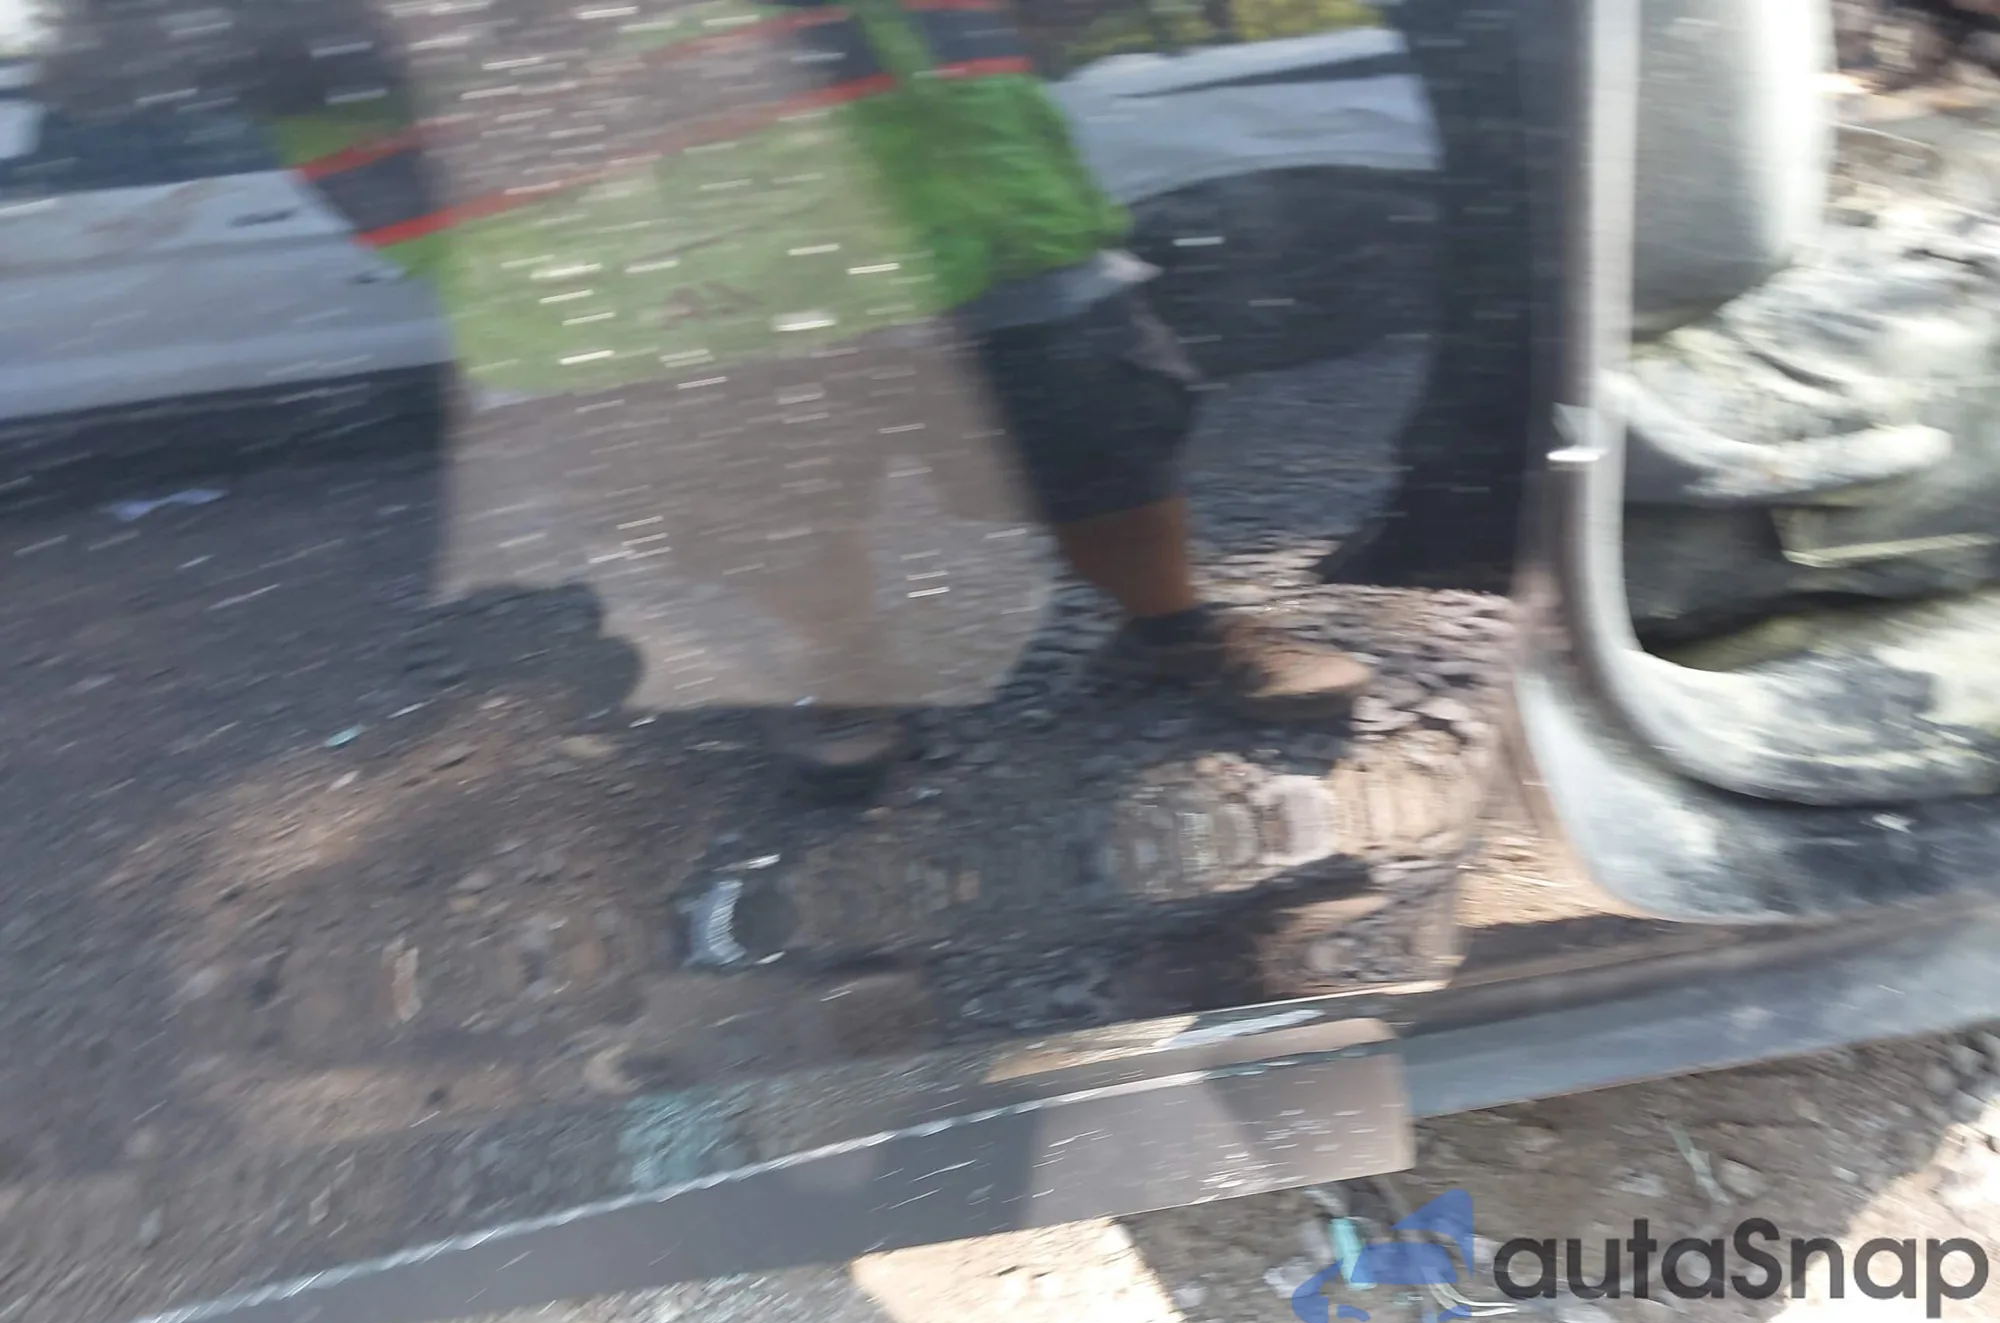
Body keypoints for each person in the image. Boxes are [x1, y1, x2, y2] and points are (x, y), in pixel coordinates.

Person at [264, 0, 1375, 795]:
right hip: (690, 261)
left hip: (976, 190)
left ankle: (1172, 628)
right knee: (764, 490)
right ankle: (838, 673)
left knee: (1100, 428)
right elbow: (299, 76)